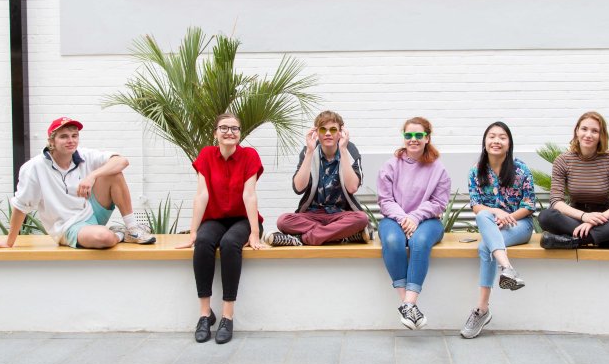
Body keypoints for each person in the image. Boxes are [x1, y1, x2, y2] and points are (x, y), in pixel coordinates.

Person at [0, 117, 155, 250]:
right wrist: (9, 242)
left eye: (74, 136)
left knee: (114, 173)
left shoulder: (83, 155)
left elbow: (122, 161)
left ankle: (132, 229)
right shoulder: (34, 167)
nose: (71, 140)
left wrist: (92, 176)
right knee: (105, 238)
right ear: (51, 141)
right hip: (67, 226)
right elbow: (21, 206)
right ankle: (119, 234)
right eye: (64, 136)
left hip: (91, 210)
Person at [176, 113, 265, 344]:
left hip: (243, 220)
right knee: (204, 242)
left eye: (234, 129)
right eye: (224, 128)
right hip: (214, 218)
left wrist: (254, 233)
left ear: (240, 134)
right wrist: (193, 231)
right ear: (215, 132)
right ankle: (205, 314)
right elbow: (202, 195)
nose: (229, 132)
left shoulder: (249, 156)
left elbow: (249, 195)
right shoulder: (206, 155)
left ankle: (227, 315)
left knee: (229, 243)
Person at [460, 121, 537, 339]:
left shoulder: (521, 169)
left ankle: (482, 311)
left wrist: (508, 216)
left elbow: (529, 205)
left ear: (509, 143)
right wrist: (497, 212)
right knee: (485, 236)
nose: (496, 141)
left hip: (520, 225)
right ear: (485, 142)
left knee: (486, 242)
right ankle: (506, 271)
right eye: (492, 136)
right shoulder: (476, 171)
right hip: (492, 225)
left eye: (502, 137)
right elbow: (476, 206)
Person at [377, 117, 451, 329]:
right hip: (394, 219)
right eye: (408, 135)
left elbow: (439, 203)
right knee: (392, 240)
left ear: (427, 138)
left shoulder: (439, 169)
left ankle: (409, 303)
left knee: (419, 242)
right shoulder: (390, 166)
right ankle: (409, 306)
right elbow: (385, 200)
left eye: (419, 135)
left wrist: (415, 217)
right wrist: (404, 218)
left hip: (428, 221)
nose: (413, 139)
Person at [539, 111, 609, 250]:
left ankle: (573, 241)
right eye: (584, 129)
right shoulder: (563, 160)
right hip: (575, 216)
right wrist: (584, 217)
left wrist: (593, 221)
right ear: (577, 131)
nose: (588, 135)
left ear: (601, 135)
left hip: (605, 218)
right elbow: (556, 202)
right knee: (545, 216)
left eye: (595, 131)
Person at [266, 110, 369, 246]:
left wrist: (343, 150)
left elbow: (352, 187)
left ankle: (301, 239)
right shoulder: (309, 151)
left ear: (340, 133)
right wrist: (309, 151)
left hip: (340, 214)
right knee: (283, 220)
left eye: (333, 130)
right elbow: (298, 188)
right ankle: (340, 236)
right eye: (323, 129)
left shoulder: (349, 150)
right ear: (317, 132)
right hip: (312, 215)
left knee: (361, 218)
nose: (327, 133)